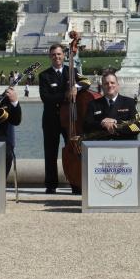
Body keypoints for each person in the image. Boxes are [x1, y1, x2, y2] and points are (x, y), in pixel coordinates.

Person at [39, 43, 79, 194]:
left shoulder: (72, 71)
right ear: (50, 57)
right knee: (50, 153)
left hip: (69, 119)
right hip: (51, 120)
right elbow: (46, 98)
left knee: (73, 151)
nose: (57, 57)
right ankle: (51, 185)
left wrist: (77, 88)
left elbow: (85, 84)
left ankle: (75, 182)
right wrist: (65, 95)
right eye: (54, 54)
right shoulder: (44, 75)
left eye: (59, 54)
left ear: (64, 56)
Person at [81, 71, 140, 139]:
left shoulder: (129, 103)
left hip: (124, 145)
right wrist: (102, 124)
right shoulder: (93, 104)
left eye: (112, 83)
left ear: (118, 86)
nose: (109, 85)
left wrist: (116, 123)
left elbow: (137, 127)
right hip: (100, 146)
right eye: (106, 83)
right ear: (102, 87)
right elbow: (86, 127)